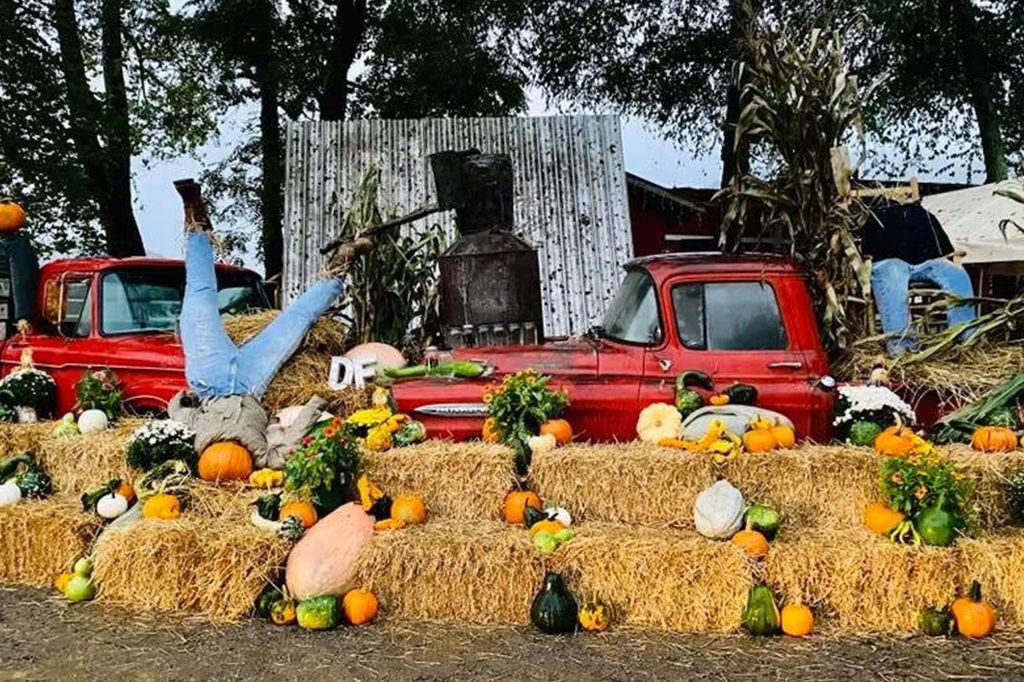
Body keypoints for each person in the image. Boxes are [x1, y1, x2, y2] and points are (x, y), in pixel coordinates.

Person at [168, 179, 371, 467]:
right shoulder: (263, 458)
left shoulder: (195, 445)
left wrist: (182, 400)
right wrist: (314, 406)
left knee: (198, 300)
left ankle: (195, 223)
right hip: (253, 382)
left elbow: (179, 415)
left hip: (209, 378)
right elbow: (287, 448)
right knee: (295, 322)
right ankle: (340, 265)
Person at [862, 199, 976, 355]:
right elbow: (867, 251)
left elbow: (944, 250)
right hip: (888, 260)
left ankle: (964, 339)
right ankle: (902, 349)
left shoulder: (923, 215)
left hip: (925, 260)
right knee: (893, 277)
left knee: (958, 275)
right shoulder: (876, 216)